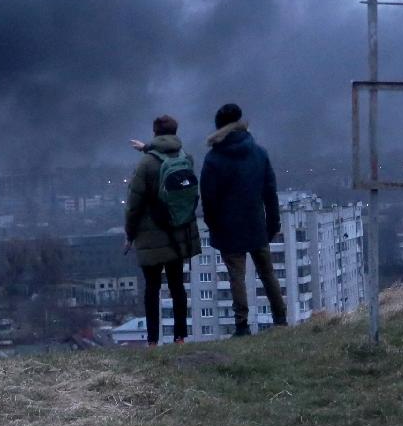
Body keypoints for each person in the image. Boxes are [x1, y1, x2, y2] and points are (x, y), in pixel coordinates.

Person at [200, 102, 288, 335]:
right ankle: (281, 319)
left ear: (219, 127)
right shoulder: (259, 153)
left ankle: (242, 325)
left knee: (236, 277)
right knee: (268, 273)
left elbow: (208, 199)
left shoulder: (213, 159)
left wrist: (213, 225)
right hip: (256, 224)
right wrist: (273, 223)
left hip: (228, 229)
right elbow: (270, 192)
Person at [123, 114, 201, 345]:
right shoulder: (186, 157)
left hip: (151, 234)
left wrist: (129, 235)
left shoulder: (145, 164)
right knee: (177, 286)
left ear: (155, 133)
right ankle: (180, 338)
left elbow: (134, 205)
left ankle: (153, 341)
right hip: (178, 231)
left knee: (152, 289)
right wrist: (146, 148)